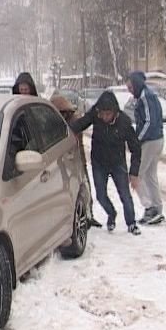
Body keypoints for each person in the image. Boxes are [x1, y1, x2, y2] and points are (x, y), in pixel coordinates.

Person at [70, 91, 142, 235]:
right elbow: (81, 124)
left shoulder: (124, 122)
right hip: (99, 162)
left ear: (115, 112)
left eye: (107, 114)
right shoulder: (95, 115)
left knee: (125, 195)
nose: (104, 117)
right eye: (102, 114)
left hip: (118, 163)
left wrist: (134, 173)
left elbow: (136, 148)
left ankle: (131, 223)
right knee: (100, 196)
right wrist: (65, 129)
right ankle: (111, 213)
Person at [49, 94, 102, 228]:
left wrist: (80, 162)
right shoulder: (50, 121)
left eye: (63, 112)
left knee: (83, 186)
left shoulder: (74, 121)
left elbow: (77, 143)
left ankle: (88, 215)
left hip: (76, 158)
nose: (62, 115)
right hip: (59, 161)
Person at [127, 71, 165, 225]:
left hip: (150, 140)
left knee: (136, 175)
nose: (129, 89)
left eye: (130, 86)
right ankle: (157, 208)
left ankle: (150, 208)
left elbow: (149, 121)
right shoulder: (148, 94)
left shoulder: (145, 96)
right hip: (157, 139)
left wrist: (137, 139)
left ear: (136, 83)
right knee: (150, 175)